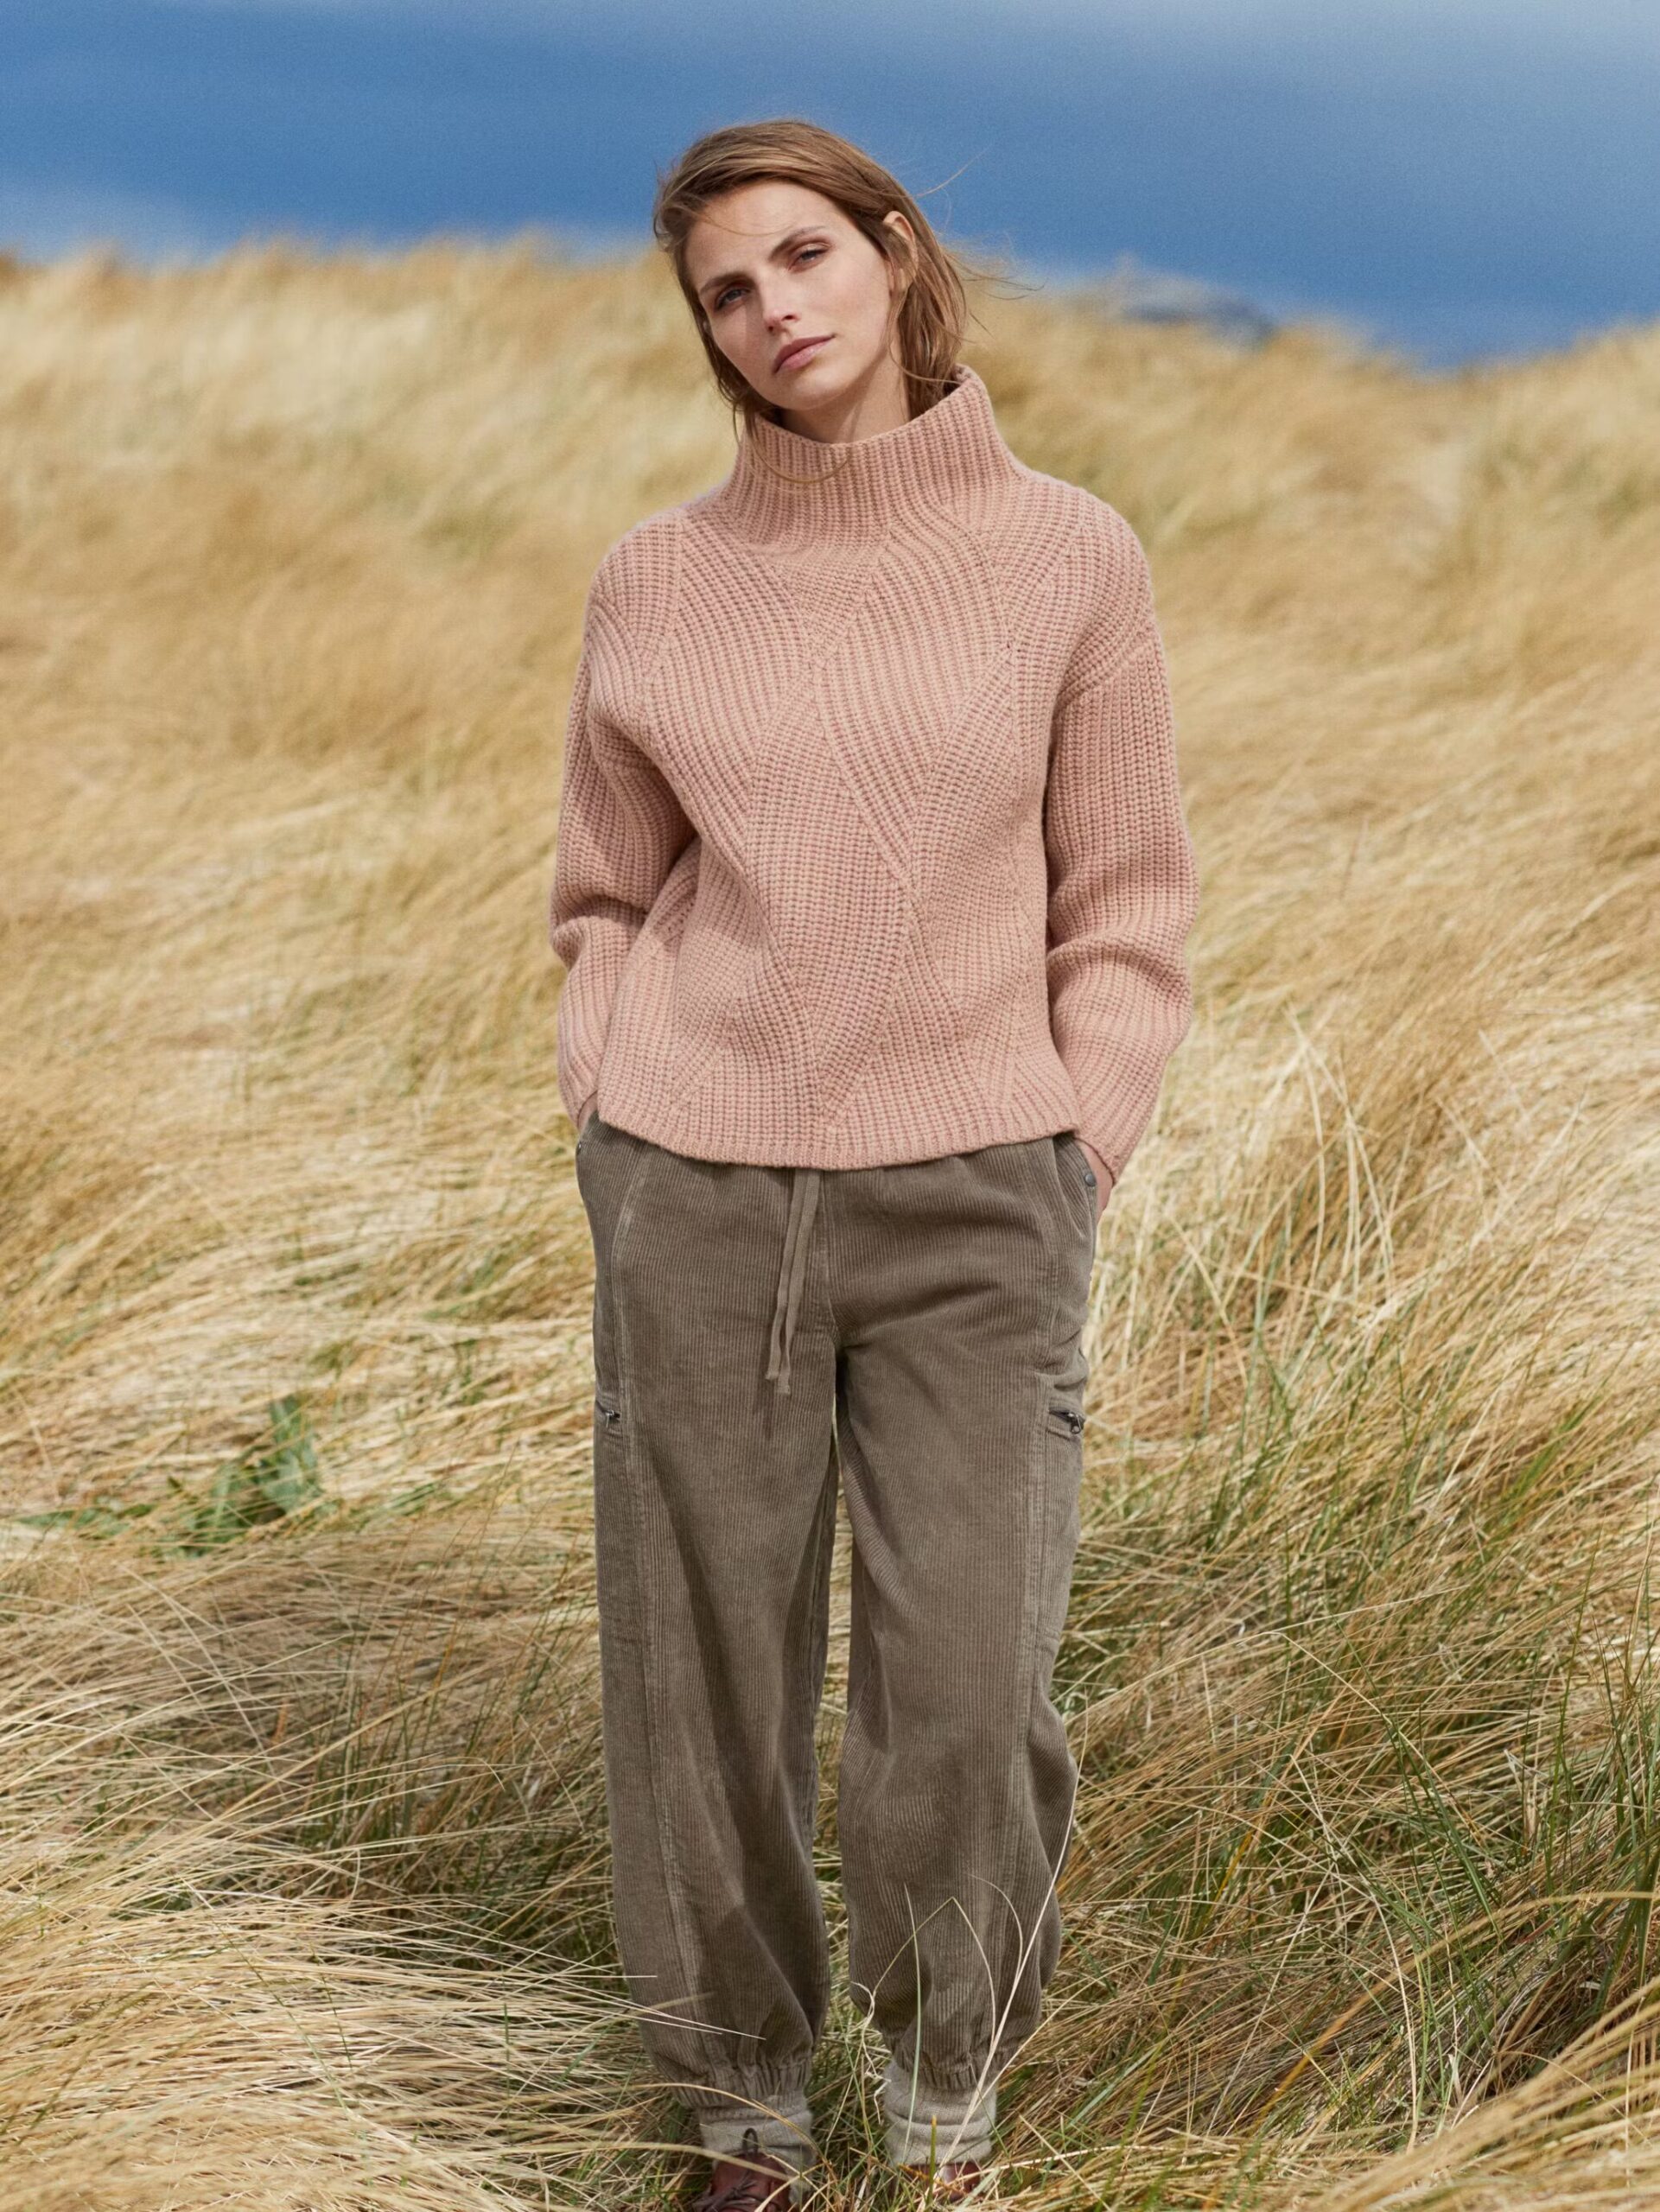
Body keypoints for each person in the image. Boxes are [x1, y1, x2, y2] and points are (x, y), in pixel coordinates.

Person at [548, 118, 1199, 2209]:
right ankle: (738, 2118)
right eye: (728, 291)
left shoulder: (1069, 555)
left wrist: (1073, 1135)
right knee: (701, 1677)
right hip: (697, 1183)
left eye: (805, 256)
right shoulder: (659, 577)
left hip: (981, 1201)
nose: (774, 311)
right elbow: (601, 892)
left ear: (897, 256)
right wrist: (613, 1096)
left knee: (964, 1696)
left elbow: (1125, 901)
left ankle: (942, 2109)